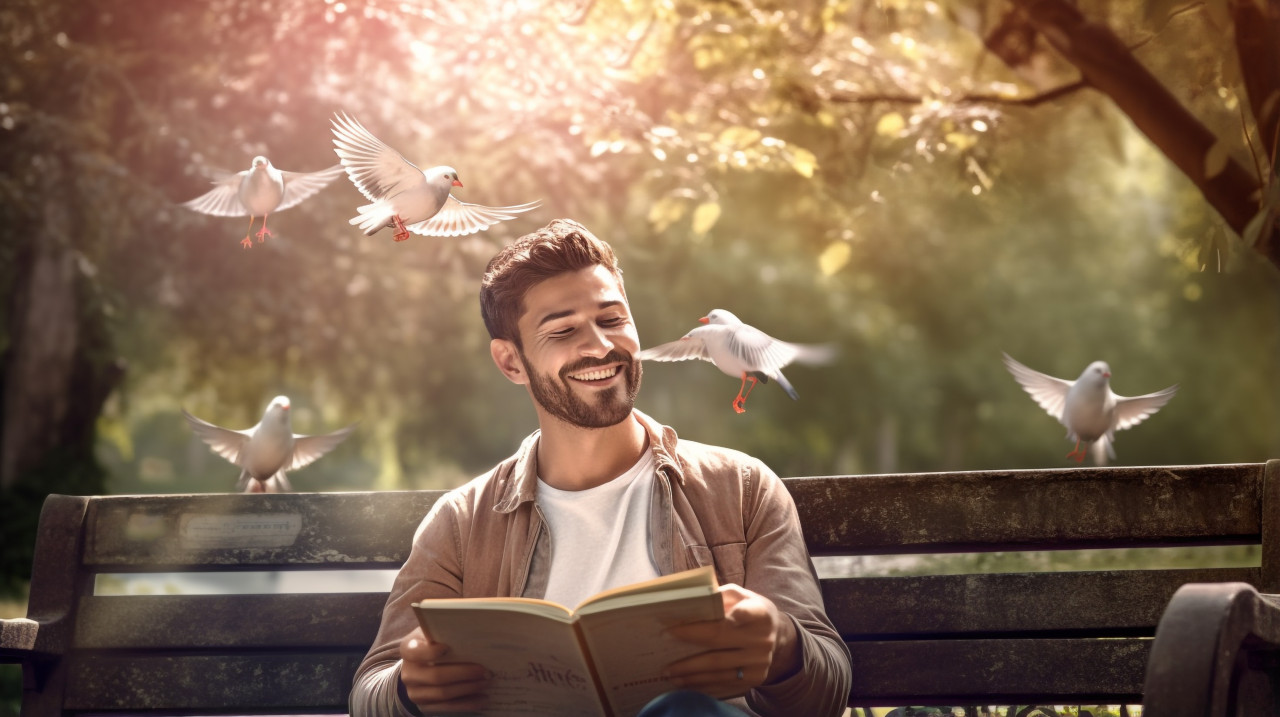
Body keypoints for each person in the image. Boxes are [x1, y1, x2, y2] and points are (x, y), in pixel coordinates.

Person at [349, 219, 851, 717]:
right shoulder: (460, 523)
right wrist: (408, 690)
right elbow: (371, 692)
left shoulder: (741, 489)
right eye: (564, 330)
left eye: (612, 320)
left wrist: (784, 648)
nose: (600, 346)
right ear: (510, 363)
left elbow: (826, 690)